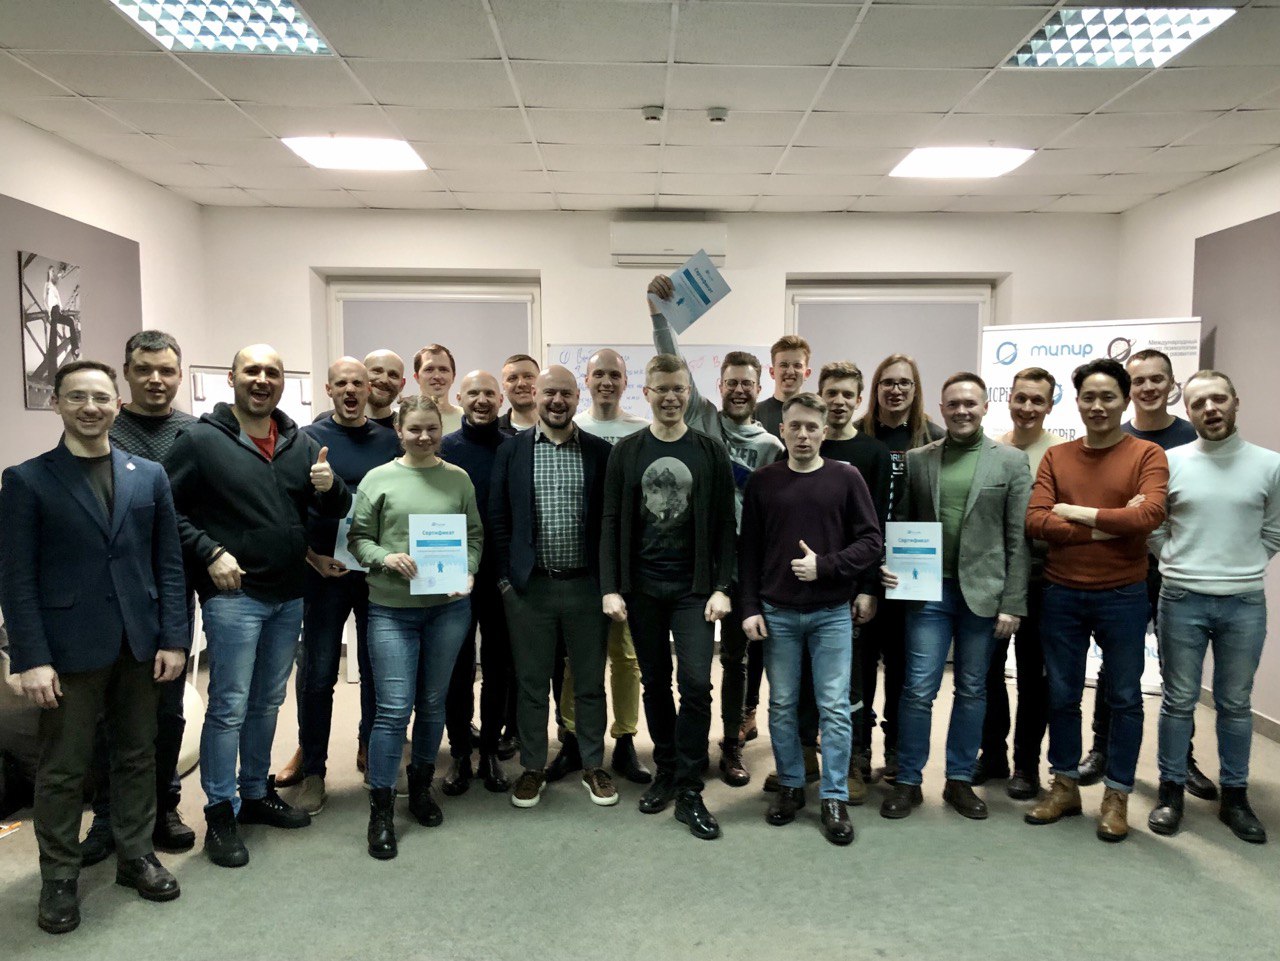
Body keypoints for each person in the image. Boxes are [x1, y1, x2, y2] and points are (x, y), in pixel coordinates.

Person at [0, 360, 188, 934]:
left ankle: (135, 855)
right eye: (77, 397)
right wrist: (30, 657)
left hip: (140, 643)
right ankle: (59, 877)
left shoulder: (147, 474)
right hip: (67, 649)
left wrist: (174, 638)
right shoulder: (27, 479)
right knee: (63, 767)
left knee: (137, 755)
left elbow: (168, 564)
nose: (91, 407)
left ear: (117, 405)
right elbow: (16, 578)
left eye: (101, 398)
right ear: (56, 403)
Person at [165, 344, 351, 868]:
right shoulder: (200, 440)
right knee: (228, 705)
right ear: (232, 378)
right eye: (252, 370)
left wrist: (330, 486)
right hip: (235, 596)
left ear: (282, 381)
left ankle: (253, 793)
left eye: (272, 371)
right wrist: (209, 551)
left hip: (288, 593)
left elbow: (331, 507)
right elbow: (165, 507)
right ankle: (219, 811)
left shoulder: (299, 442)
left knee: (268, 702)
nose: (262, 379)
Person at [648, 275, 784, 788]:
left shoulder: (772, 446)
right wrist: (656, 312)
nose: (739, 389)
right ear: (719, 386)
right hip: (700, 556)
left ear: (759, 388)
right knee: (695, 666)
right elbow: (672, 361)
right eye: (731, 382)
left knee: (737, 658)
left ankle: (731, 744)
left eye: (748, 382)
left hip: (748, 561)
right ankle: (688, 747)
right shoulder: (703, 418)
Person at [1024, 358, 1168, 843]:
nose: (1098, 405)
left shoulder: (1147, 454)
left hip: (1123, 594)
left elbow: (1148, 515)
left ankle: (1116, 795)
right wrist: (1109, 526)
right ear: (1078, 402)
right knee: (1062, 695)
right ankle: (1064, 786)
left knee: (1124, 698)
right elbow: (1036, 521)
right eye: (1089, 397)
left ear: (1124, 401)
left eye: (1108, 396)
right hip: (1061, 592)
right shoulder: (1056, 456)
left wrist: (1075, 512)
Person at [879, 373, 1031, 821]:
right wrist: (892, 563)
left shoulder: (1011, 462)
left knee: (972, 689)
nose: (962, 411)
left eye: (970, 403)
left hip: (984, 594)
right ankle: (909, 780)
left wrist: (1013, 603)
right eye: (953, 404)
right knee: (917, 689)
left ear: (985, 407)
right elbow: (903, 522)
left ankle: (959, 780)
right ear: (942, 409)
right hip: (929, 591)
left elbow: (1018, 538)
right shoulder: (919, 459)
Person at [601, 353, 738, 840]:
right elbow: (611, 520)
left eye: (679, 388)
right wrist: (611, 586)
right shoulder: (627, 451)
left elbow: (725, 523)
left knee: (696, 684)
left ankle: (690, 786)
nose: (670, 397)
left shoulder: (709, 451)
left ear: (689, 393)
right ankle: (666, 769)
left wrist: (723, 586)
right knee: (655, 682)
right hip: (642, 589)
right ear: (647, 393)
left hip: (693, 589)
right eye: (661, 389)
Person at [739, 393, 882, 845]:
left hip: (830, 614)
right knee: (782, 705)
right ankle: (792, 785)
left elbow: (871, 542)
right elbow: (748, 552)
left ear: (825, 432)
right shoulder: (763, 482)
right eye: (795, 426)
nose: (803, 435)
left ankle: (834, 796)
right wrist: (749, 607)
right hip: (778, 613)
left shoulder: (846, 477)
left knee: (834, 707)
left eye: (811, 427)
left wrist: (826, 566)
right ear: (782, 429)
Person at [78, 331, 198, 866]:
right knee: (107, 714)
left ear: (179, 375)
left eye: (166, 370)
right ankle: (107, 814)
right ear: (126, 373)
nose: (156, 379)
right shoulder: (104, 429)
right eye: (144, 369)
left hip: (170, 587)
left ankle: (163, 805)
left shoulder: (196, 433)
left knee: (167, 709)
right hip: (107, 594)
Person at [1146, 370, 1280, 843]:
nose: (1210, 408)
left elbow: (1274, 529)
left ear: (1235, 402)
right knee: (1178, 702)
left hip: (1244, 602)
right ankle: (1171, 792)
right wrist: (1175, 560)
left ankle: (1235, 797)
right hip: (1181, 598)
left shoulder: (1270, 465)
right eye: (1199, 403)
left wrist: (1244, 565)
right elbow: (1154, 524)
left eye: (1218, 399)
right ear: (1188, 411)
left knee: (1235, 704)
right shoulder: (1169, 462)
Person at [347, 396, 482, 859]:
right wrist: (385, 557)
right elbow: (358, 540)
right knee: (392, 710)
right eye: (415, 429)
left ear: (441, 429)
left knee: (432, 703)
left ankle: (421, 789)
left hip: (448, 609)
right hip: (392, 610)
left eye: (432, 429)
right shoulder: (378, 479)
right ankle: (381, 808)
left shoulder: (458, 478)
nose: (424, 437)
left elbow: (474, 536)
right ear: (399, 431)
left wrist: (469, 570)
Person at [1080, 349, 1213, 798]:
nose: (1149, 388)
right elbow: (1108, 508)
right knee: (1115, 664)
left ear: (1172, 384)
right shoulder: (1115, 437)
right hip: (1123, 565)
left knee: (1179, 670)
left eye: (1158, 379)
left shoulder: (1194, 435)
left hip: (1180, 568)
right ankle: (1101, 749)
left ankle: (1182, 759)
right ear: (1127, 390)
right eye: (1139, 381)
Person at [272, 358, 399, 816]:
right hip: (324, 572)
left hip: (375, 573)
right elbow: (286, 506)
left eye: (358, 383)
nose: (350, 389)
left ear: (370, 390)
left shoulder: (390, 441)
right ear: (328, 389)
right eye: (341, 382)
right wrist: (311, 557)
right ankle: (314, 770)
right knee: (318, 672)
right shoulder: (307, 439)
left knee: (377, 668)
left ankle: (370, 747)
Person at [490, 366, 618, 810]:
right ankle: (531, 767)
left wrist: (608, 584)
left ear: (577, 397)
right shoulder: (512, 451)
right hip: (530, 590)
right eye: (549, 393)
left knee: (589, 683)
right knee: (530, 683)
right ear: (536, 394)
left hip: (586, 587)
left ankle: (593, 765)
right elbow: (498, 518)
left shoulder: (600, 451)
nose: (557, 401)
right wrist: (506, 582)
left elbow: (609, 522)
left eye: (566, 393)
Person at [560, 348, 651, 785]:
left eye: (615, 374)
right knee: (578, 658)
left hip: (629, 562)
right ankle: (571, 738)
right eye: (599, 374)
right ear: (587, 380)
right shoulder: (574, 429)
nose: (607, 382)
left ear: (626, 381)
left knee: (627, 657)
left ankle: (626, 740)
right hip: (581, 561)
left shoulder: (642, 430)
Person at [856, 354, 945, 781]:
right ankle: (858, 748)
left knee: (902, 667)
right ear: (875, 389)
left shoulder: (936, 439)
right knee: (859, 666)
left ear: (915, 389)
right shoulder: (857, 434)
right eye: (887, 382)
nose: (895, 390)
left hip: (912, 572)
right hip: (863, 569)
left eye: (904, 383)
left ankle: (894, 749)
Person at [976, 367, 1064, 802]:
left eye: (1037, 400)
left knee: (1034, 678)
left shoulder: (1062, 454)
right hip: (994, 578)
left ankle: (1026, 766)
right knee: (986, 673)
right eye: (1021, 398)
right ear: (1008, 399)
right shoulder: (992, 449)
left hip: (1043, 581)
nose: (1027, 407)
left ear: (1050, 405)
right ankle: (992, 753)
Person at [815, 361, 891, 805]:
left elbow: (875, 528)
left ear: (860, 400)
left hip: (852, 587)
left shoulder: (873, 454)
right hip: (808, 584)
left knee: (853, 681)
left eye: (847, 394)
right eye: (832, 393)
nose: (839, 401)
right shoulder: (805, 443)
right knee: (806, 681)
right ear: (820, 395)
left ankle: (854, 761)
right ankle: (807, 757)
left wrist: (867, 587)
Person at [439, 371, 515, 795]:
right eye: (473, 393)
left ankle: (489, 751)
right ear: (460, 398)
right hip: (454, 572)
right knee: (458, 665)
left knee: (499, 665)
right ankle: (459, 753)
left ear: (500, 399)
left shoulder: (515, 446)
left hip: (501, 575)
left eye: (489, 393)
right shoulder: (444, 448)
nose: (482, 400)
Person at [754, 335, 813, 437]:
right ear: (772, 372)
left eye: (797, 365)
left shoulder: (815, 414)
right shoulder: (754, 413)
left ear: (807, 373)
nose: (790, 371)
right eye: (784, 365)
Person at [412, 343, 463, 433]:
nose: (437, 376)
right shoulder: (400, 417)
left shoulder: (466, 418)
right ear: (417, 377)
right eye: (429, 369)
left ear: (453, 377)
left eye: (443, 369)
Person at [363, 349, 406, 428]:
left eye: (393, 375)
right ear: (361, 375)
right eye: (377, 371)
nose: (384, 380)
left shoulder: (406, 429)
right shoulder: (339, 423)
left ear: (402, 385)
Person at [497, 353, 540, 434]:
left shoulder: (559, 428)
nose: (521, 383)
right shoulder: (492, 433)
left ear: (541, 381)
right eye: (512, 378)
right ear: (504, 387)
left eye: (528, 376)